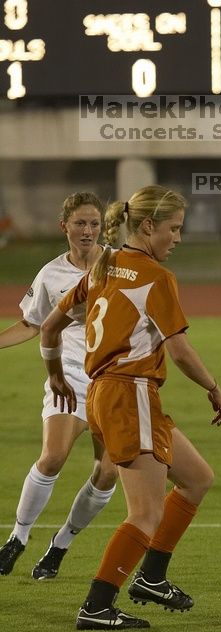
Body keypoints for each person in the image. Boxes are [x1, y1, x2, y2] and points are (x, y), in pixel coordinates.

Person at [40, 185, 221, 630]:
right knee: (145, 513)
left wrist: (54, 375)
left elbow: (49, 328)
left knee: (198, 478)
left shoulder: (104, 266)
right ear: (147, 227)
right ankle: (97, 604)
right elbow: (179, 349)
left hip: (106, 393)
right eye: (173, 228)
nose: (178, 238)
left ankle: (152, 578)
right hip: (130, 392)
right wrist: (213, 386)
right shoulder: (154, 276)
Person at [0, 192, 118, 578]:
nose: (88, 231)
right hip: (67, 376)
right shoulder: (51, 274)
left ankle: (60, 545)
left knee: (108, 470)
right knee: (53, 457)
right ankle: (18, 537)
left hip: (114, 380)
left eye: (94, 224)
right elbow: (32, 324)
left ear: (103, 227)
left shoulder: (118, 265)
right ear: (63, 226)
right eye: (80, 223)